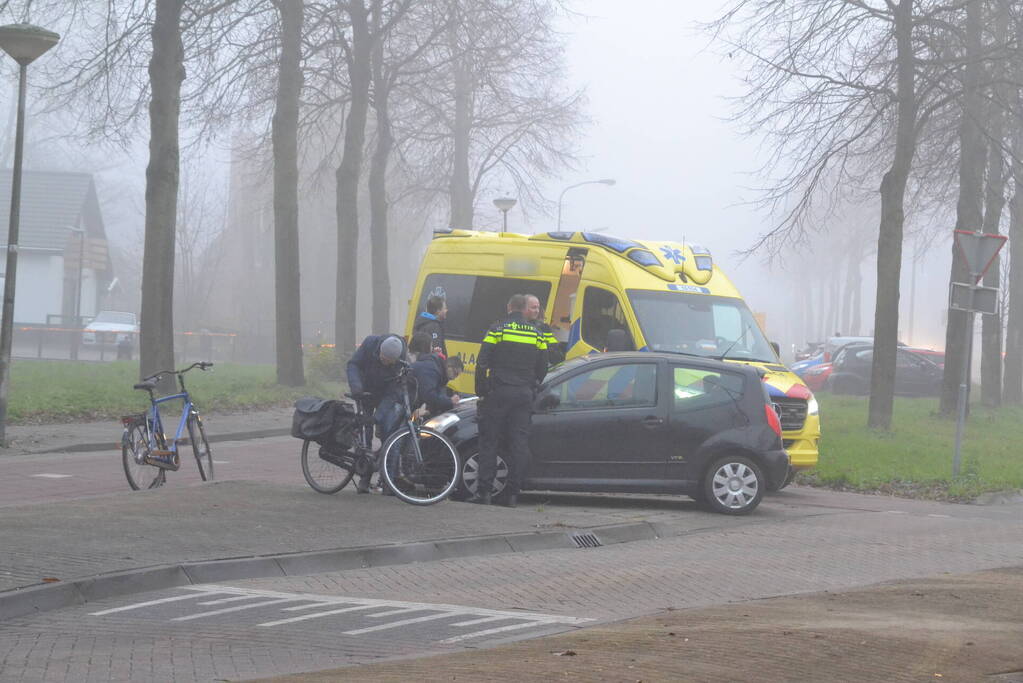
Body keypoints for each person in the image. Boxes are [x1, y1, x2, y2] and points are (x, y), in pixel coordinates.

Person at [473, 294, 548, 507]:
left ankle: (485, 492)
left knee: (489, 442)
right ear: (524, 309)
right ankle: (512, 495)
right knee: (519, 443)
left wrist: (482, 390)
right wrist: (532, 385)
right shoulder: (537, 333)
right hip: (523, 395)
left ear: (509, 307)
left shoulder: (497, 330)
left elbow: (482, 362)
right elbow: (543, 367)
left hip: (499, 392)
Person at [346, 333, 407, 493]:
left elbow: (394, 392)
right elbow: (353, 364)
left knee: (389, 435)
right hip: (364, 391)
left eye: (388, 361)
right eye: (382, 358)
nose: (384, 361)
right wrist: (356, 387)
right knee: (365, 434)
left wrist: (377, 417)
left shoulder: (401, 361)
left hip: (385, 396)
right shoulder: (370, 343)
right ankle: (364, 478)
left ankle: (388, 482)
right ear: (379, 350)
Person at [408, 332, 463, 415]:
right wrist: (450, 400)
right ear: (449, 367)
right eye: (455, 373)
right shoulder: (432, 369)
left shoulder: (436, 368)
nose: (454, 378)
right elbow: (429, 395)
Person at [523, 295, 565, 366]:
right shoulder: (512, 326)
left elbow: (557, 357)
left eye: (538, 308)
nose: (537, 311)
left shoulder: (544, 328)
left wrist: (546, 346)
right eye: (533, 308)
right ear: (523, 308)